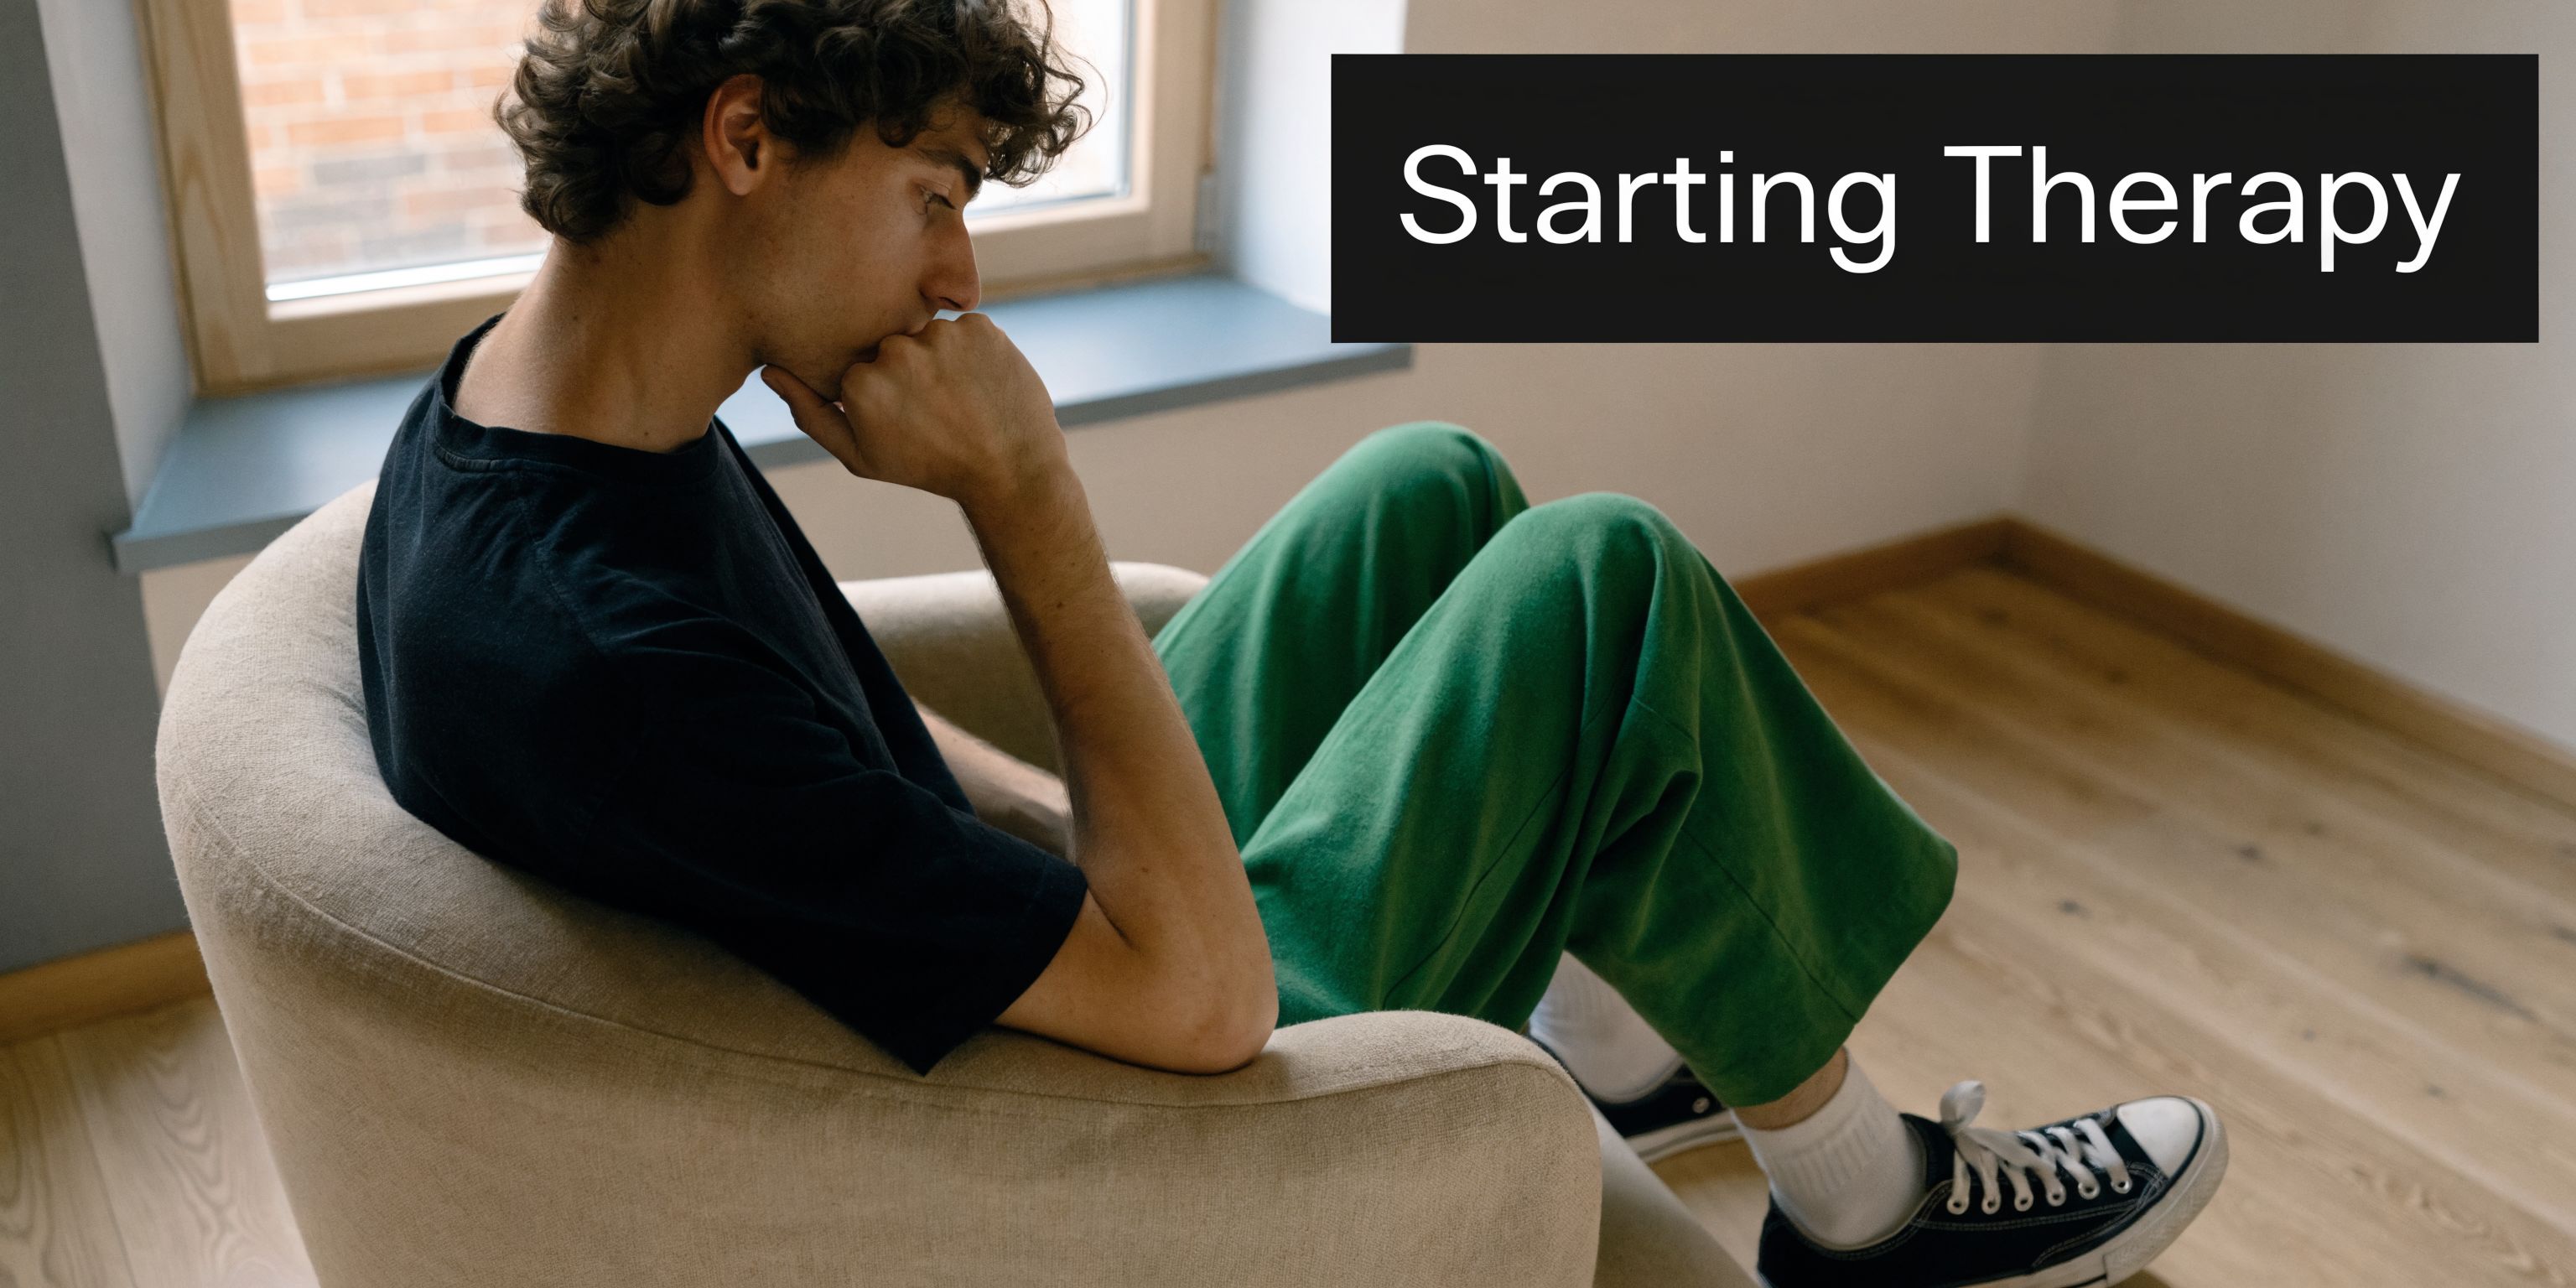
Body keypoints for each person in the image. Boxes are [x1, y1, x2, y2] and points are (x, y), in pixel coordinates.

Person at [355, 3, 2228, 1284]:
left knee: (1429, 481)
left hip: (991, 985)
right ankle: (1868, 1207)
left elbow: (852, 767)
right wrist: (1031, 512)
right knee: (1601, 587)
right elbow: (1199, 1008)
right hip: (1086, 1135)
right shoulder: (601, 655)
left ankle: (1616, 1034)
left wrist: (1055, 819)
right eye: (933, 197)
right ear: (745, 137)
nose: (958, 277)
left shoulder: (546, 427)